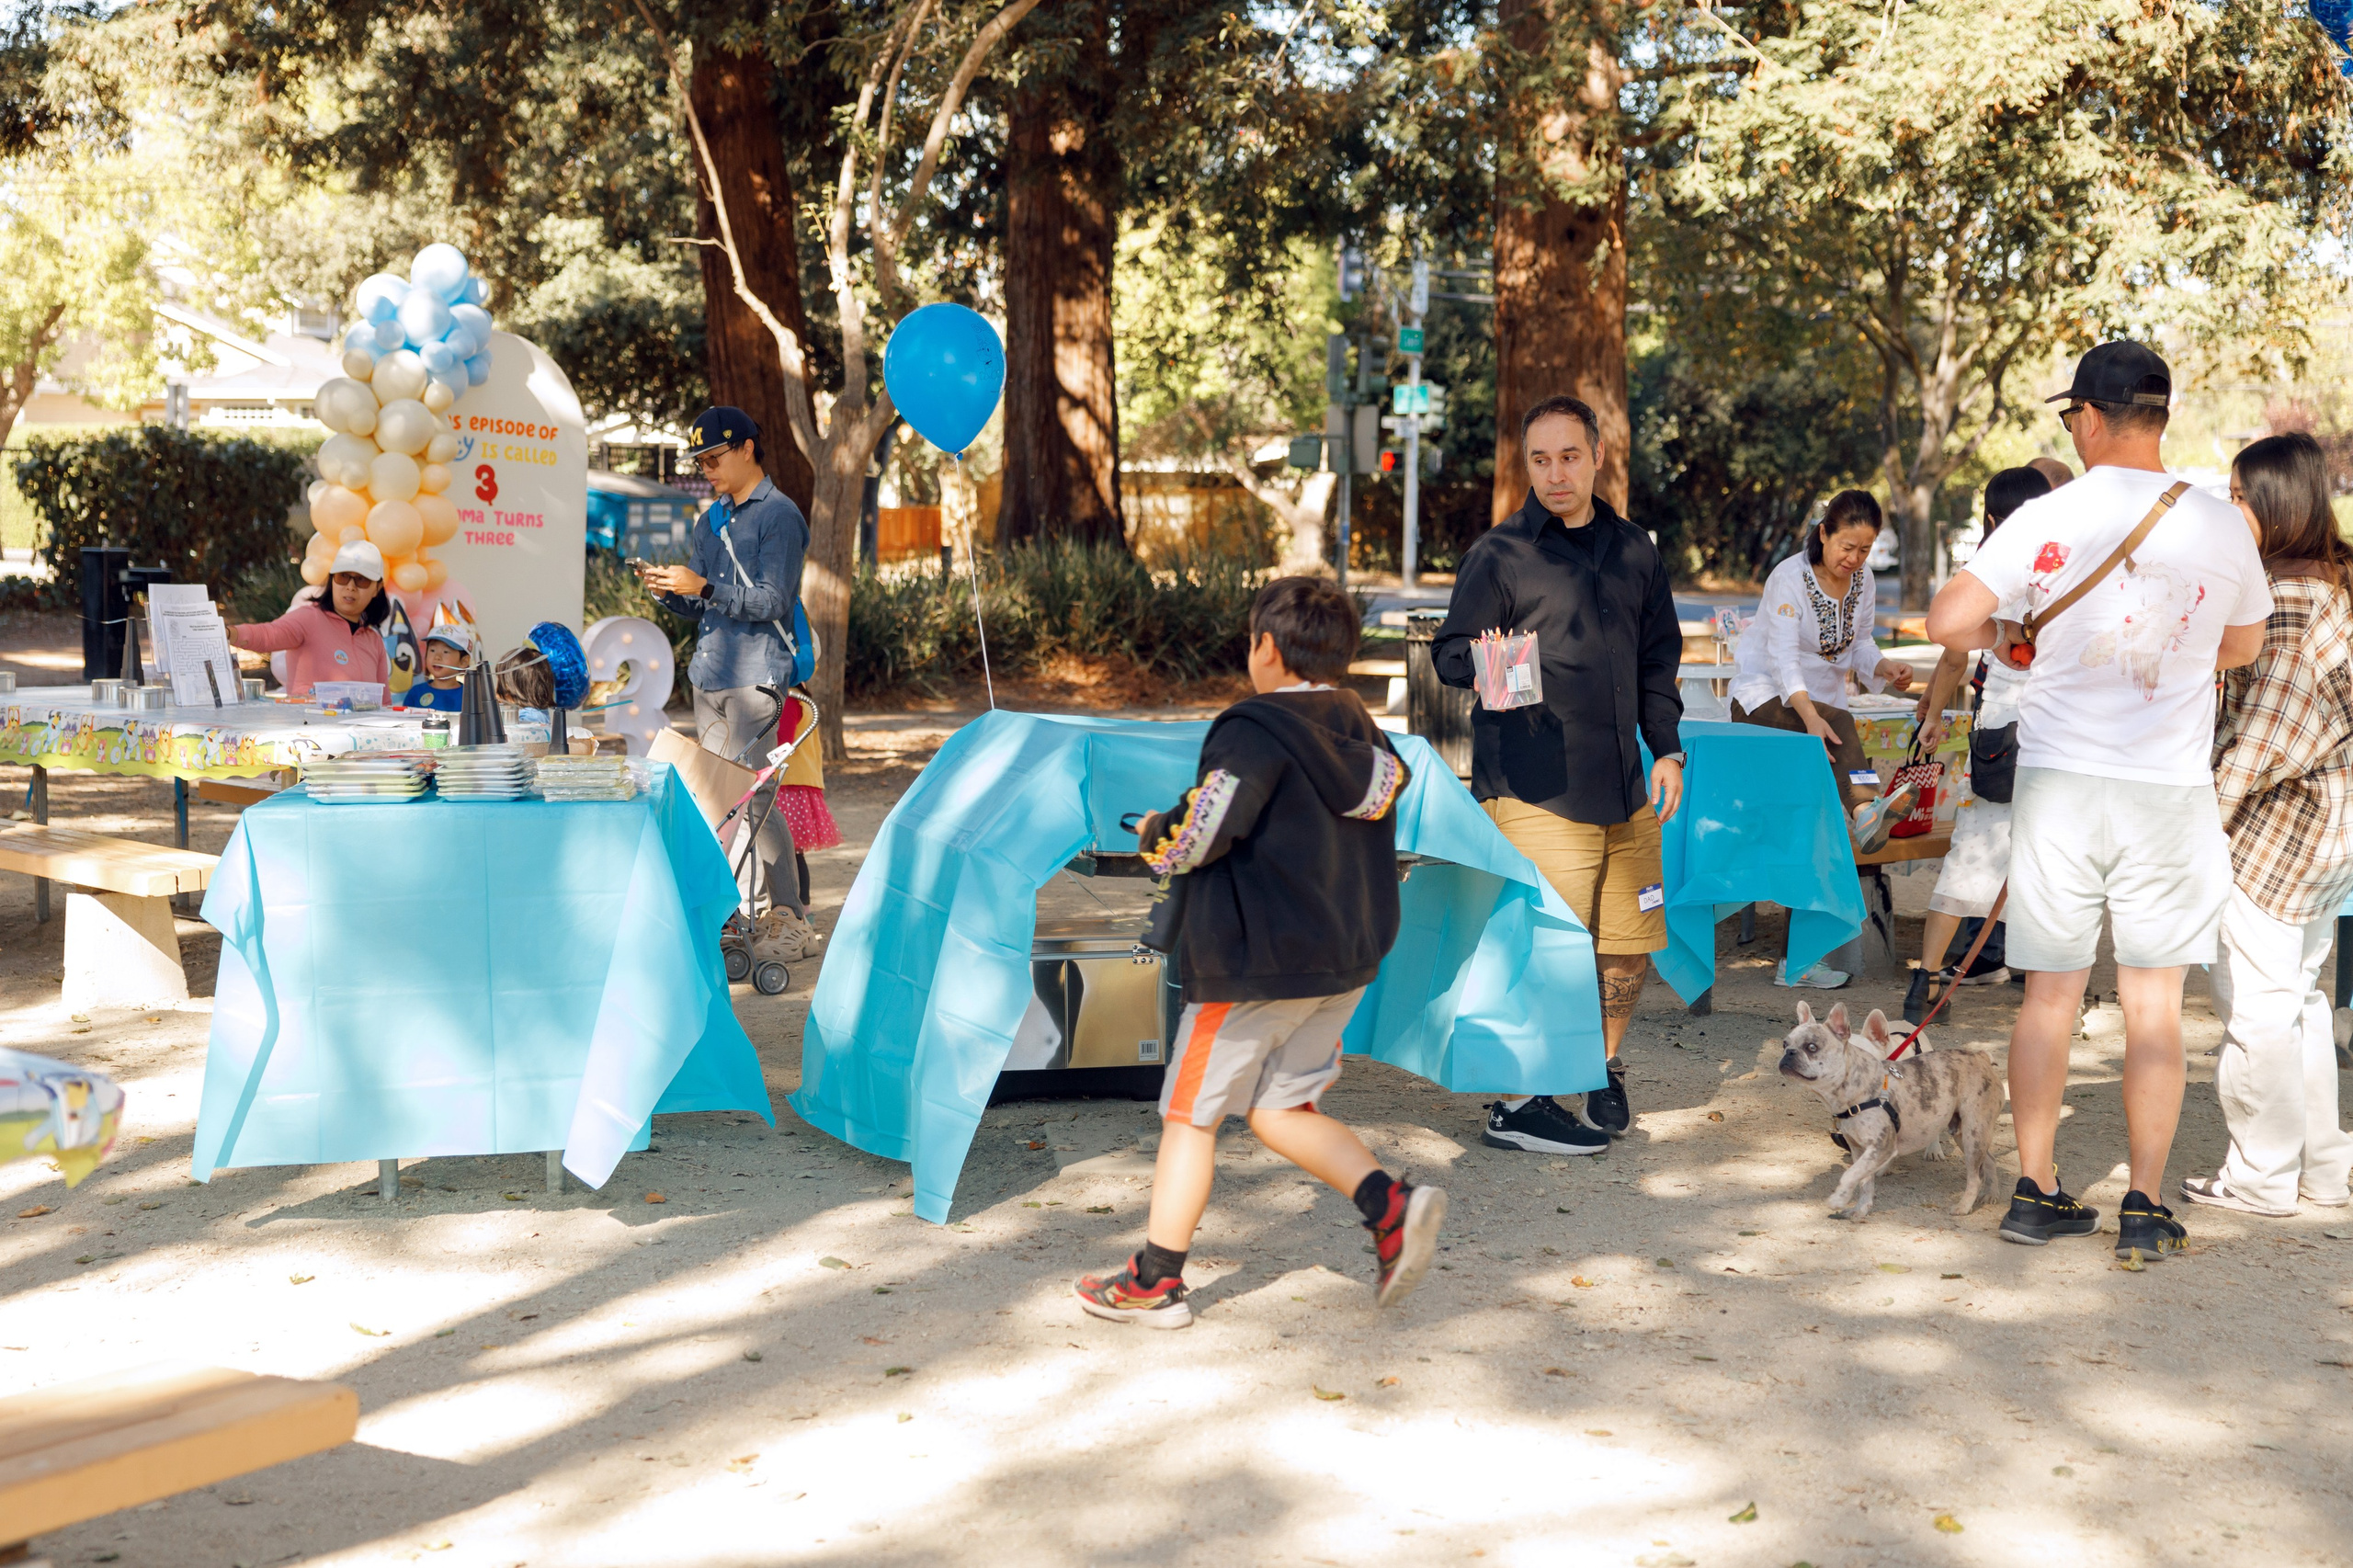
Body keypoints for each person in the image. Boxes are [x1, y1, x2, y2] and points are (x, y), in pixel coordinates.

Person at [1927, 340, 2270, 1264]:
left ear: (2086, 416)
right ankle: (2147, 1204)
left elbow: (1947, 623)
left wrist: (2013, 628)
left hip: (2060, 785)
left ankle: (2035, 1191)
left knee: (2048, 996)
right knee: (2155, 1006)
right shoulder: (2218, 523)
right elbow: (2242, 646)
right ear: (2159, 417)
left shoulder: (2051, 514)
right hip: (2167, 786)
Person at [1074, 576, 1443, 1326]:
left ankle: (1154, 1280)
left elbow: (1206, 825)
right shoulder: (1360, 731)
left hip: (1253, 967)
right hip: (1339, 962)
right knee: (1281, 1108)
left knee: (1190, 1117)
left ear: (1266, 649)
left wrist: (1155, 833)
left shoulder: (1254, 727)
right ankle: (1390, 1206)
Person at [1430, 395, 1683, 1155]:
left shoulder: (1635, 547)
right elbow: (1448, 654)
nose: (1554, 473)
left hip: (1625, 785)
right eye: (1539, 460)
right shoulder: (1500, 555)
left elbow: (1656, 659)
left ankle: (1595, 1063)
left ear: (1597, 456)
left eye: (1568, 456)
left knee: (1630, 939)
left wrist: (1665, 746)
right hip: (1535, 786)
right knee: (1543, 945)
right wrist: (1493, 661)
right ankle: (1517, 1101)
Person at [2184, 432, 2353, 1217]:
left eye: (2240, 496)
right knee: (2300, 1003)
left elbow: (2261, 741)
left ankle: (2260, 1178)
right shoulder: (2339, 584)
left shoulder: (2287, 599)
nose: (2230, 507)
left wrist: (2199, 821)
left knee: (2257, 1012)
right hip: (2331, 836)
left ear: (2276, 506)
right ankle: (2324, 1171)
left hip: (2278, 835)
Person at [642, 406, 820, 960]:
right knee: (713, 799)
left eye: (714, 458)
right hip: (711, 673)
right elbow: (703, 606)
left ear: (746, 449)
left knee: (755, 794)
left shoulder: (781, 516)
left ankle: (788, 915)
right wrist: (671, 591)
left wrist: (705, 587)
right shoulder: (710, 519)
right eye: (701, 461)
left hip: (757, 677)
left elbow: (772, 600)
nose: (708, 470)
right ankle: (729, 912)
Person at [1729, 489, 1915, 986]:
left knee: (1812, 827)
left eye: (1865, 550)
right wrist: (1812, 718)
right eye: (1846, 547)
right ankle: (1866, 809)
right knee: (1843, 731)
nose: (1853, 559)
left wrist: (1885, 667)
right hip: (1765, 699)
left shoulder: (1863, 581)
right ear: (1823, 534)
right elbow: (1784, 661)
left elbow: (1861, 644)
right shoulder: (1789, 578)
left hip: (1821, 712)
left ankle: (1799, 962)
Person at [1902, 466, 2052, 1022]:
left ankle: (1925, 984)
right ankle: (2051, 991)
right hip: (2058, 733)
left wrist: (1934, 714)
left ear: (1990, 519)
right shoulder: (2064, 570)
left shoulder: (1988, 573)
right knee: (2051, 863)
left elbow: (1951, 648)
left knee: (1970, 855)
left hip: (1998, 737)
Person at [232, 540, 391, 697]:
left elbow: (384, 704)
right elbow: (267, 635)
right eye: (343, 577)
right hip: (309, 722)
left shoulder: (374, 641)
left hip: (362, 723)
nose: (350, 586)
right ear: (332, 580)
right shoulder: (307, 618)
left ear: (377, 588)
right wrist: (226, 633)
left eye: (361, 580)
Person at [404, 621, 472, 712]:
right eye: (432, 650)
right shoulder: (416, 693)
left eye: (445, 652)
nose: (437, 657)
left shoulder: (470, 696)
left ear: (464, 661)